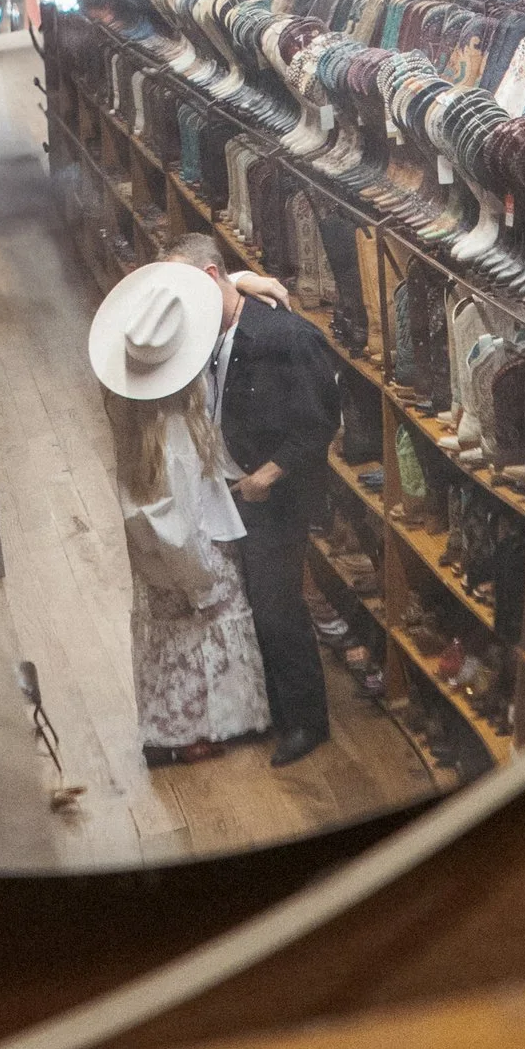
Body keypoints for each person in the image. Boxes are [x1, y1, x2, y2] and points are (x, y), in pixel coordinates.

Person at [88, 262, 270, 766]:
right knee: (205, 628)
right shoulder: (178, 441)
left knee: (169, 638)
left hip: (160, 567)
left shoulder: (138, 428)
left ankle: (172, 723)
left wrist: (240, 280)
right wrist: (201, 582)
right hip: (193, 560)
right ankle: (203, 726)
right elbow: (182, 527)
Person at [187, 237, 341, 767]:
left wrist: (267, 475)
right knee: (253, 601)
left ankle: (306, 723)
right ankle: (273, 705)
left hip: (272, 495)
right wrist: (243, 278)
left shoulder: (285, 338)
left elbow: (320, 421)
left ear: (209, 280)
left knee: (277, 608)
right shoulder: (216, 323)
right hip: (234, 489)